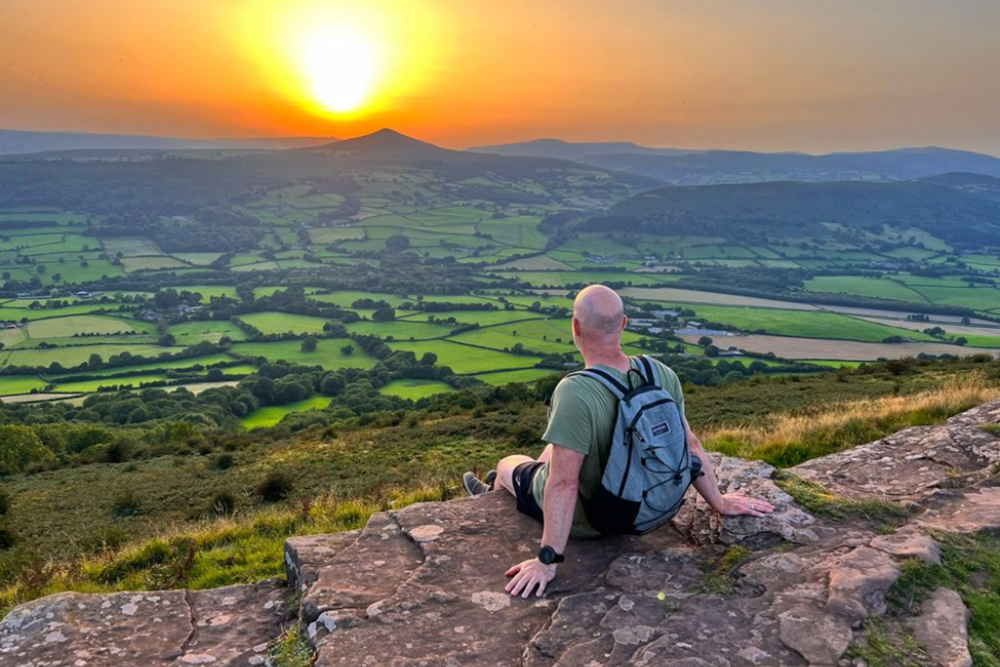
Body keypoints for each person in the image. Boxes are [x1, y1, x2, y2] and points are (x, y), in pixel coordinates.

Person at [462, 285, 775, 599]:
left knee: (508, 464)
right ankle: (505, 485)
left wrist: (548, 561)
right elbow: (690, 446)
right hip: (651, 509)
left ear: (575, 327)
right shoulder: (661, 373)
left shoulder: (575, 392)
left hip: (597, 520)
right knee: (554, 450)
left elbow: (564, 484)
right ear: (624, 323)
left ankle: (495, 488)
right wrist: (719, 503)